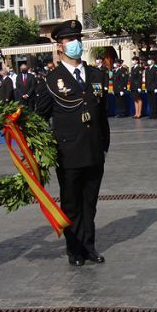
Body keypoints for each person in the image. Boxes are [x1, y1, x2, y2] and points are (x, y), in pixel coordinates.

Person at [36, 19, 110, 267]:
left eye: (78, 39)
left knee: (90, 202)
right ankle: (74, 249)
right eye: (70, 40)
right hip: (67, 152)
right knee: (71, 203)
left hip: (93, 150)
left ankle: (89, 246)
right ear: (60, 47)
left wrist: (104, 144)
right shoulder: (50, 80)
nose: (75, 43)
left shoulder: (97, 74)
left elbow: (102, 113)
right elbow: (40, 117)